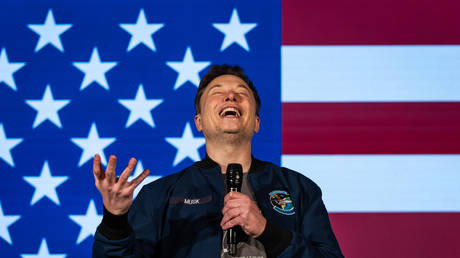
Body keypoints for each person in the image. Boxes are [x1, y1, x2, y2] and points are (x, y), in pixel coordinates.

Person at [92, 65, 343, 257]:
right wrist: (114, 220)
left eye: (240, 94)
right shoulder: (160, 195)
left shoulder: (299, 189)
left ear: (256, 122)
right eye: (218, 93)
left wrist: (268, 231)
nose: (231, 98)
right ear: (199, 122)